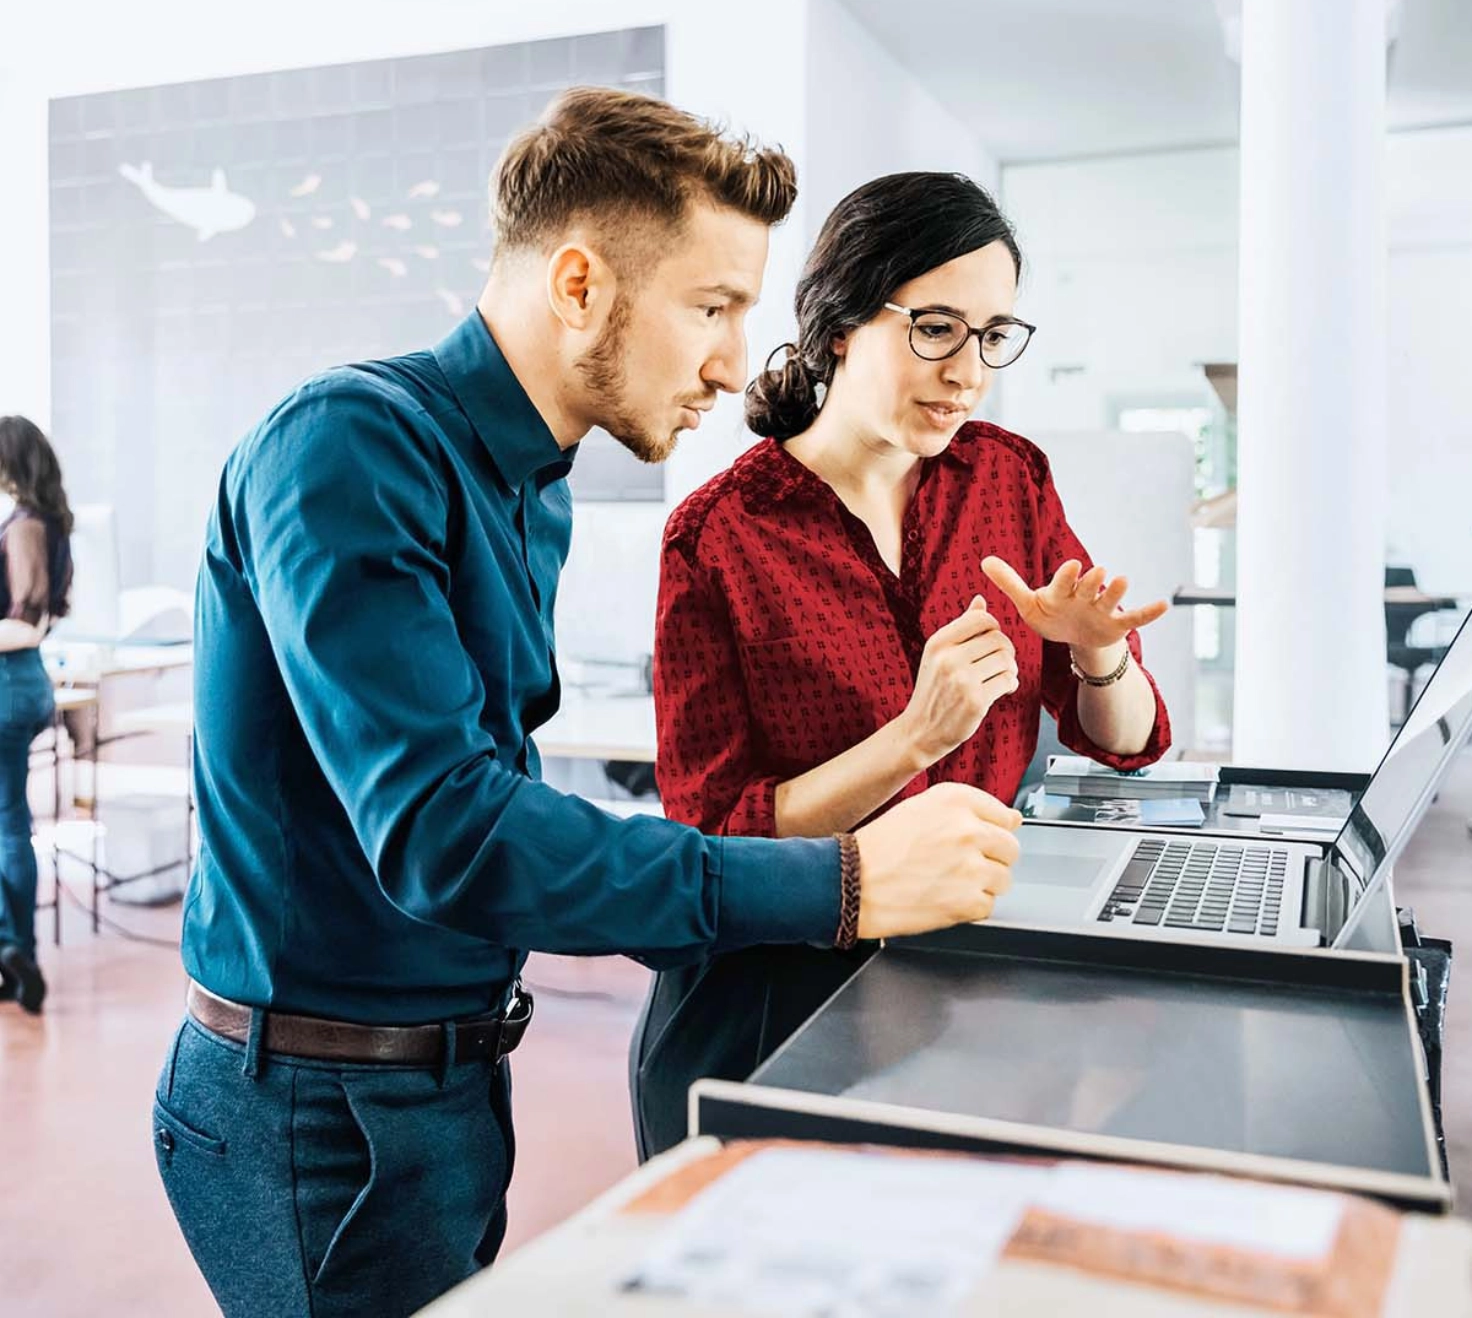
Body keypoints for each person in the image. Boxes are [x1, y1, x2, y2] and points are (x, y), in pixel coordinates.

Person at [153, 90, 1024, 1318]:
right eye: (711, 307)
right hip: (315, 1108)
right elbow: (447, 830)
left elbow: (500, 808)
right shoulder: (346, 447)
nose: (733, 361)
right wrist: (842, 883)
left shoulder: (534, 487)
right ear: (578, 285)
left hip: (443, 1082)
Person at [633, 171, 1172, 1156]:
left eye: (993, 334)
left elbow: (1122, 740)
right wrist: (913, 738)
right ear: (839, 322)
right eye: (934, 327)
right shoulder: (715, 537)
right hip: (771, 1007)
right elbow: (712, 837)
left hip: (967, 988)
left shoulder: (1007, 477)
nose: (968, 371)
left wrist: (1099, 659)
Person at [0, 416, 74, 1014]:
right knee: (9, 821)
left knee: (7, 826)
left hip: (10, 683)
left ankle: (14, 951)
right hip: (25, 687)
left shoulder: (25, 526)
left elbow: (25, 626)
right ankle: (13, 950)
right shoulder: (46, 524)